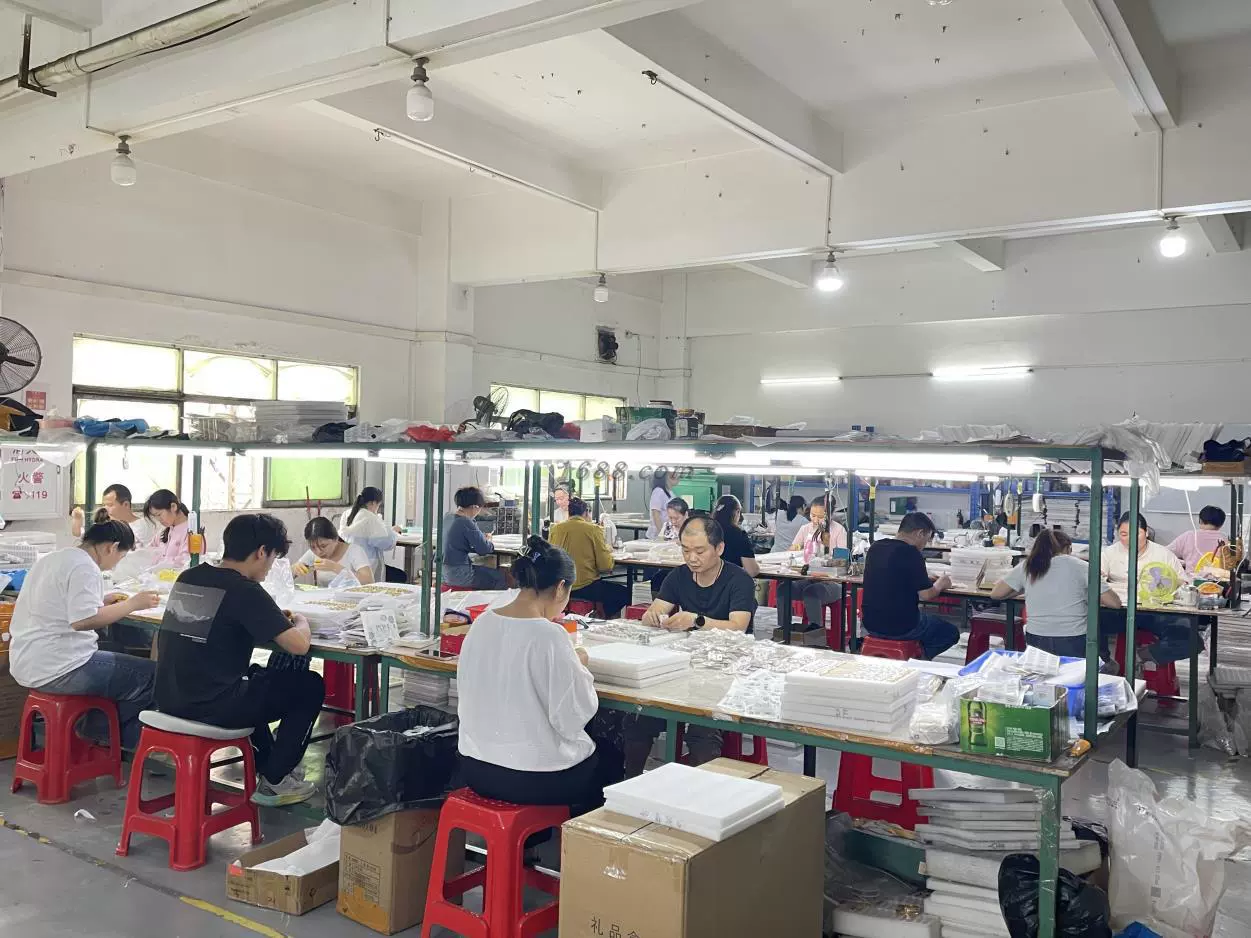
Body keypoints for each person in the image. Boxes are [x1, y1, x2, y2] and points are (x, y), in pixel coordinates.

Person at [155, 514, 323, 807]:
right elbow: (298, 645)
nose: (270, 567)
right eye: (272, 558)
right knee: (309, 686)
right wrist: (301, 621)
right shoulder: (245, 589)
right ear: (262, 552)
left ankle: (268, 765)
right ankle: (276, 780)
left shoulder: (190, 576)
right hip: (212, 706)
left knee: (257, 676)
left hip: (169, 698)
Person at [457, 536, 619, 813]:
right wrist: (580, 667)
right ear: (560, 588)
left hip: (474, 766)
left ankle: (535, 836)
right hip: (531, 778)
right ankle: (571, 839)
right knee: (610, 759)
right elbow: (572, 717)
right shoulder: (549, 635)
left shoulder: (482, 623)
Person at [8, 521, 160, 749]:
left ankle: (100, 732)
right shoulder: (85, 566)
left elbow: (62, 604)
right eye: (120, 557)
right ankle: (107, 736)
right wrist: (132, 604)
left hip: (27, 661)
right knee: (154, 676)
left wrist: (102, 601)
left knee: (117, 653)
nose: (116, 564)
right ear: (111, 547)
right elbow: (84, 620)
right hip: (61, 668)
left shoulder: (53, 559)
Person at [626, 516, 757, 774]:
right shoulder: (678, 576)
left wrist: (697, 621)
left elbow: (738, 625)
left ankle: (699, 791)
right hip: (686, 666)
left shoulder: (739, 579)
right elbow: (655, 610)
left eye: (699, 551)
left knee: (703, 731)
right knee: (638, 719)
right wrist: (652, 617)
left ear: (719, 548)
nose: (692, 558)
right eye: (686, 551)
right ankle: (629, 783)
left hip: (727, 669)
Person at [990, 530, 1121, 658]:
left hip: (1036, 638)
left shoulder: (1028, 566)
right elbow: (1114, 603)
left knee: (1042, 672)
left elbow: (996, 594)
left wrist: (1022, 589)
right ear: (1068, 548)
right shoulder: (1082, 566)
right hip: (1073, 638)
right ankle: (1107, 662)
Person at [861, 512, 959, 660]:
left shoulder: (876, 548)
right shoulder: (911, 552)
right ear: (920, 533)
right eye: (926, 540)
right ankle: (918, 659)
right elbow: (926, 595)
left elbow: (894, 575)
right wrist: (941, 583)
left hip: (871, 624)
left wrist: (923, 579)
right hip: (902, 627)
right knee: (950, 633)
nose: (924, 546)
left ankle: (913, 654)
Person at [1100, 512, 1191, 666]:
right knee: (1090, 622)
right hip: (1118, 611)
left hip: (1155, 612)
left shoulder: (1163, 554)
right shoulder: (1109, 553)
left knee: (1189, 637)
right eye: (1124, 534)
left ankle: (1145, 654)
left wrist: (1168, 584)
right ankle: (1105, 664)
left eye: (1136, 534)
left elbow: (1184, 584)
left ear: (1146, 532)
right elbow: (1097, 580)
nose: (1130, 539)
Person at [550, 497, 628, 617]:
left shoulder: (555, 529)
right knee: (624, 593)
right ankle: (604, 618)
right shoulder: (593, 529)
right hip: (585, 587)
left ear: (569, 513)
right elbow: (605, 566)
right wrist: (608, 551)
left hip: (560, 587)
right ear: (586, 512)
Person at [443, 486, 506, 590]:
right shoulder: (466, 521)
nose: (478, 512)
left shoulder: (447, 517)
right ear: (474, 507)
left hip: (444, 572)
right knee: (499, 577)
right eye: (479, 508)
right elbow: (484, 549)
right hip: (460, 575)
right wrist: (488, 540)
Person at [340, 486, 403, 582]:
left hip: (349, 563)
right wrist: (394, 533)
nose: (377, 509)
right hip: (367, 563)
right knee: (401, 576)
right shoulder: (370, 518)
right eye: (378, 505)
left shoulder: (347, 514)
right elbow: (386, 543)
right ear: (373, 503)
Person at [291, 516, 374, 586]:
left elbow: (369, 581)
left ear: (336, 539)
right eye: (312, 547)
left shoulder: (354, 551)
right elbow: (288, 575)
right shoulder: (313, 553)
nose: (318, 552)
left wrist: (335, 568)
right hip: (325, 598)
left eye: (323, 546)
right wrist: (294, 569)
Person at [71, 483, 158, 548]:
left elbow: (148, 554)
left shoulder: (143, 526)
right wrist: (77, 520)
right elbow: (82, 536)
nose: (106, 509)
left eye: (110, 505)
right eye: (104, 505)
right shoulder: (108, 525)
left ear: (126, 505)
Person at [1167, 505, 1228, 575]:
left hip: (1192, 580)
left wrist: (1183, 563)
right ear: (1221, 524)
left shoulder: (1188, 536)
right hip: (1219, 580)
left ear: (1200, 520)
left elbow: (1165, 552)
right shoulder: (1225, 539)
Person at [712, 494, 760, 577]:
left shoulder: (707, 530)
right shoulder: (739, 534)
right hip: (730, 581)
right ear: (737, 512)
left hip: (706, 580)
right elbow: (752, 571)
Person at [144, 489, 190, 566]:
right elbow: (148, 551)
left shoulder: (192, 532)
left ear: (173, 507)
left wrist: (160, 560)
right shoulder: (164, 531)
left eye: (159, 515)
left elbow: (185, 561)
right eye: (155, 516)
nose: (158, 520)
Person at [646, 470, 680, 538]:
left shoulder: (670, 492)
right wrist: (662, 535)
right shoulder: (658, 491)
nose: (677, 477)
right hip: (656, 537)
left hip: (667, 534)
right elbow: (656, 514)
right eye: (672, 476)